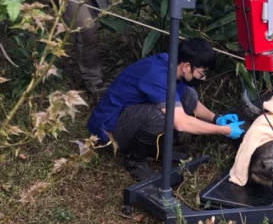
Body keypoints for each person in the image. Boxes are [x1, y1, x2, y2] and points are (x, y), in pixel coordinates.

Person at [86, 38, 245, 180]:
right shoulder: (157, 75)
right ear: (186, 66)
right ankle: (135, 160)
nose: (203, 78)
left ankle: (155, 149)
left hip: (129, 115)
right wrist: (224, 130)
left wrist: (216, 118)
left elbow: (192, 102)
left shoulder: (173, 66)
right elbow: (181, 123)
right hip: (108, 129)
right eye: (201, 73)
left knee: (188, 93)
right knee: (162, 117)